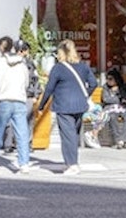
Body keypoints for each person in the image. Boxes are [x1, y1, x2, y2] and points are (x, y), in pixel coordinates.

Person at [38, 39, 97, 175]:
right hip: (80, 106)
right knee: (73, 135)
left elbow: (49, 89)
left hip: (63, 106)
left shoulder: (58, 68)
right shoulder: (83, 67)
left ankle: (72, 164)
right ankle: (73, 162)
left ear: (60, 53)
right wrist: (85, 95)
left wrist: (42, 105)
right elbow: (93, 83)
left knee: (67, 136)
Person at [0, 36, 32, 174]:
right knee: (22, 133)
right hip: (19, 100)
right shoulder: (22, 63)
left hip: (4, 100)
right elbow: (26, 82)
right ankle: (24, 163)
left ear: (1, 48)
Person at [3, 39, 40, 151]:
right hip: (17, 95)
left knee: (27, 119)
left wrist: (35, 95)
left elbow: (35, 80)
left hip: (26, 95)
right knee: (15, 119)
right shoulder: (10, 62)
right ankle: (10, 144)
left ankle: (25, 144)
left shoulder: (29, 63)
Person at [98, 68, 126, 148]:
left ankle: (124, 140)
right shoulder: (105, 87)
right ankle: (118, 140)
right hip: (111, 108)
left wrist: (117, 93)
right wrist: (119, 99)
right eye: (107, 78)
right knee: (112, 117)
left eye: (110, 79)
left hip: (124, 107)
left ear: (116, 79)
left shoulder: (124, 86)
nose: (108, 81)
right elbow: (106, 99)